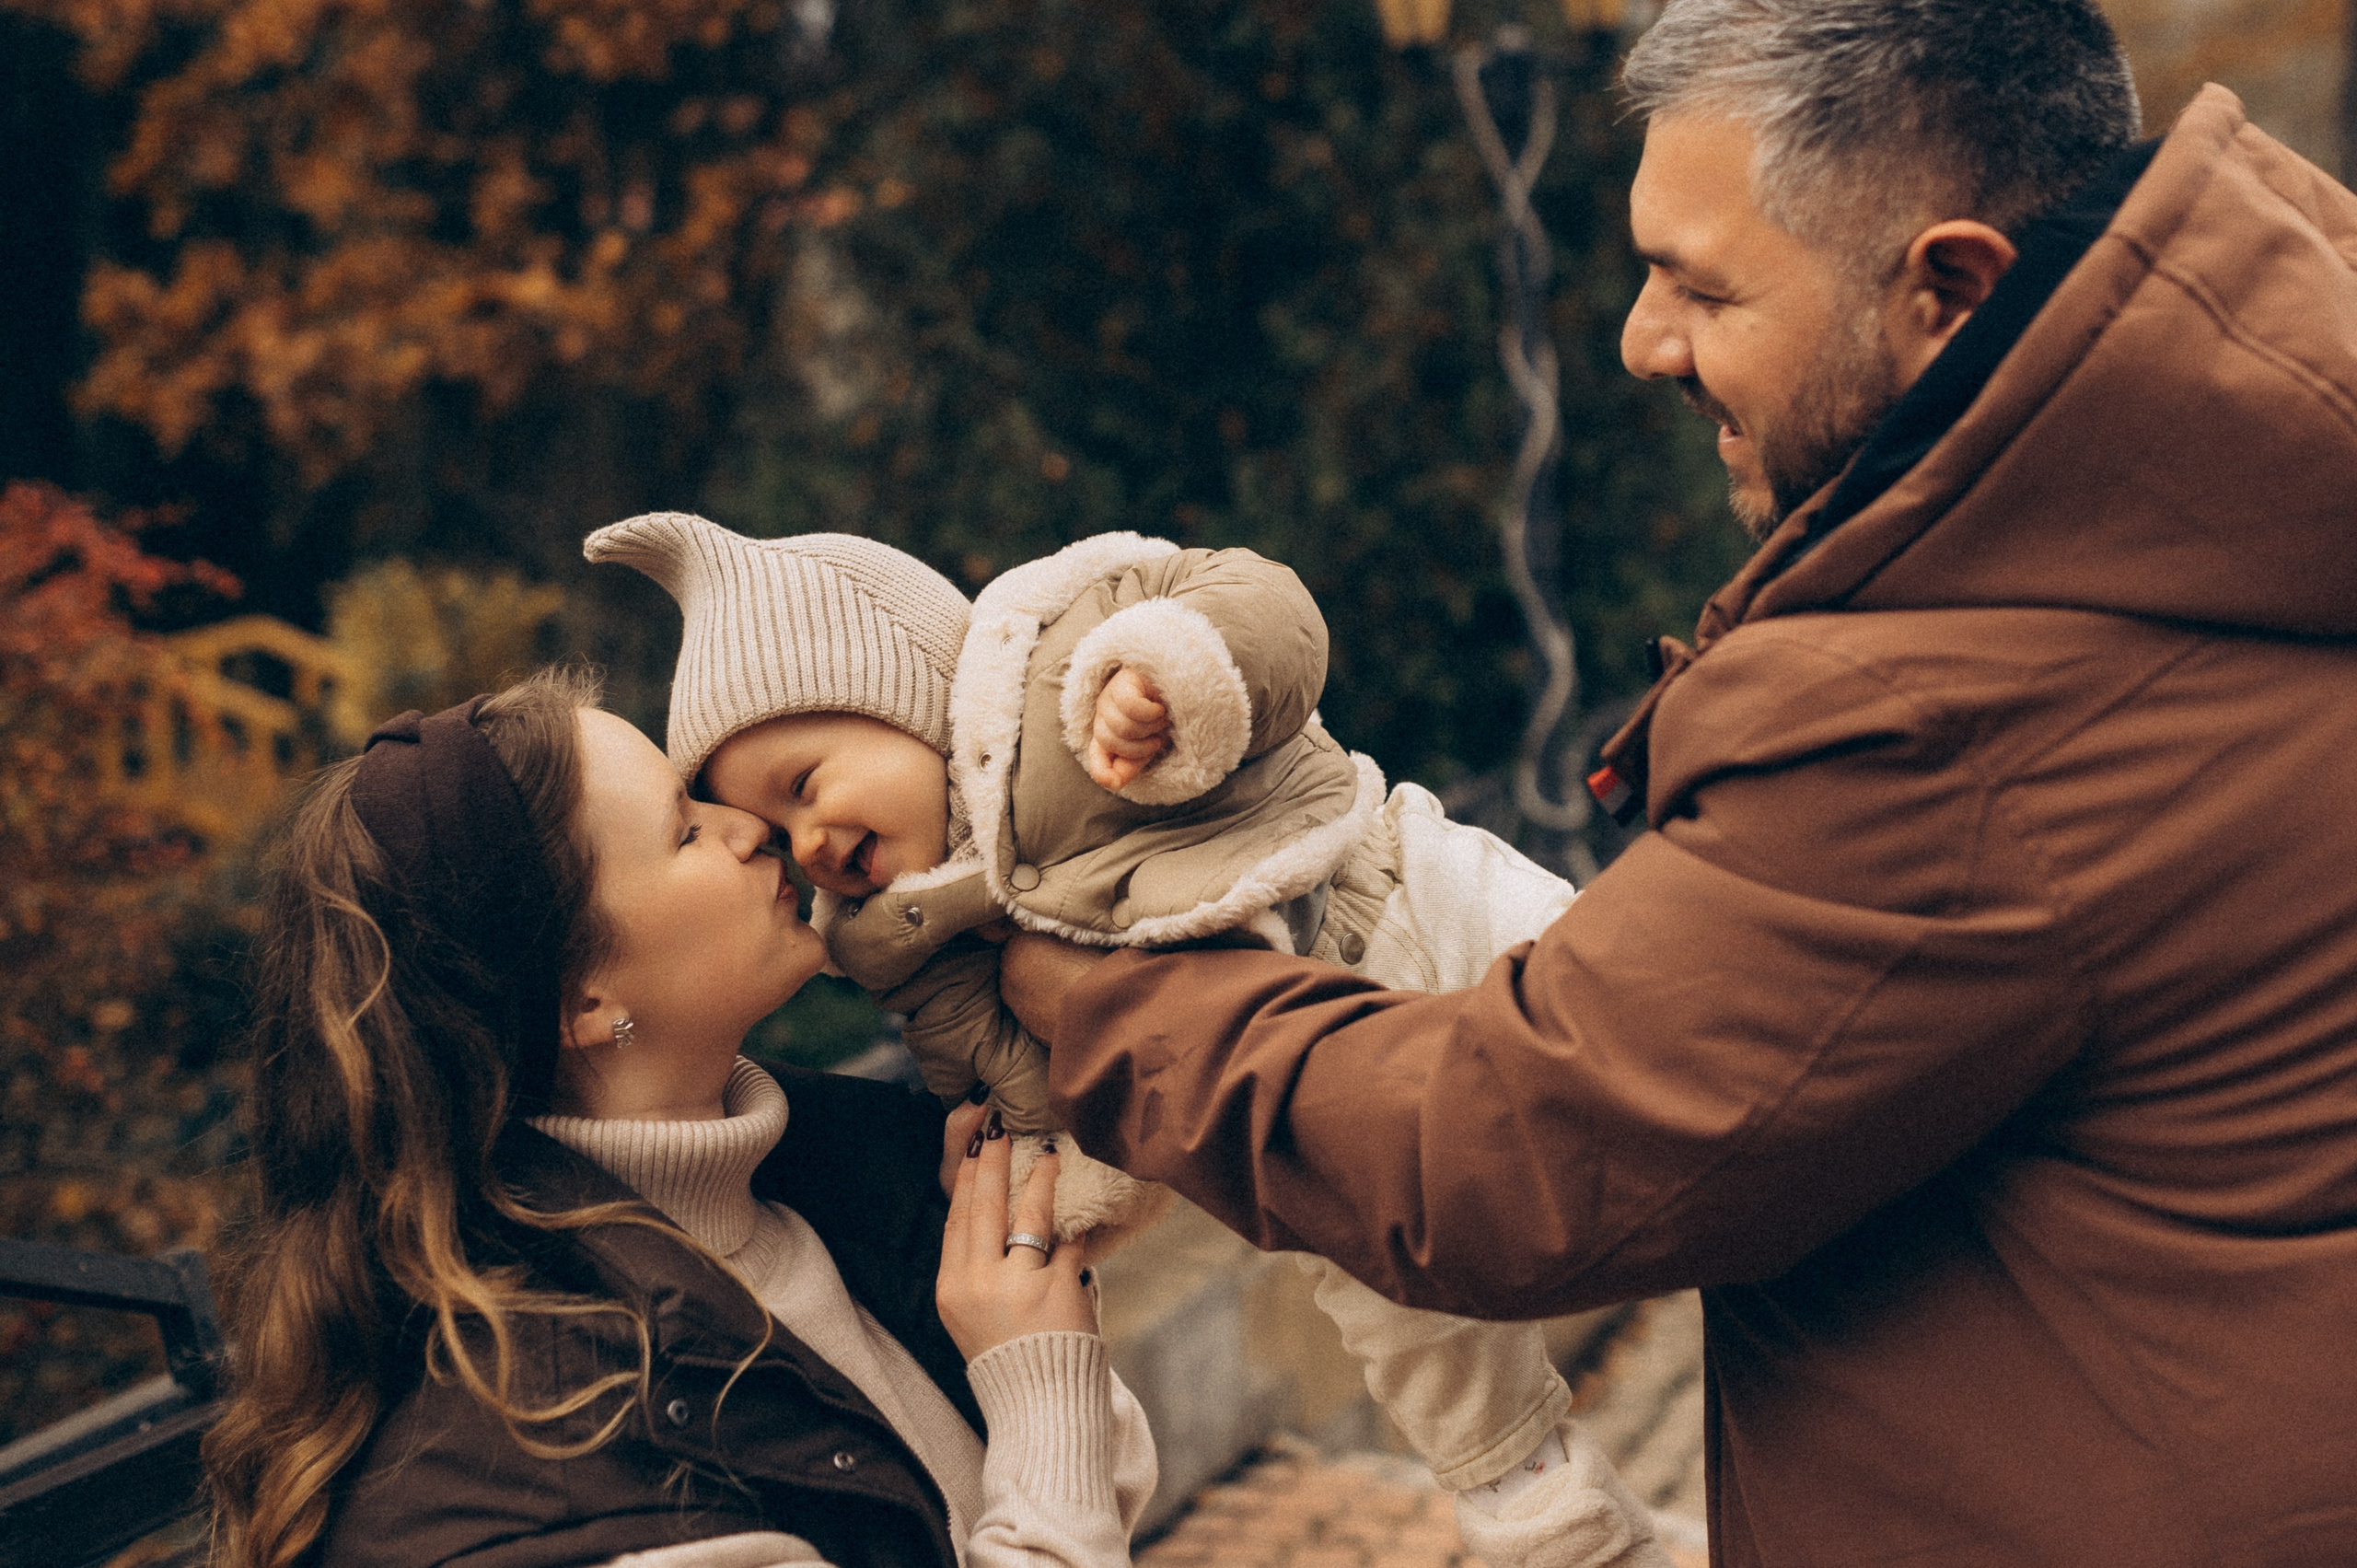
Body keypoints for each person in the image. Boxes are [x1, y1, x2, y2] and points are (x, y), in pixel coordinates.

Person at [990, 3, 2357, 1566]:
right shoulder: (2243, 517)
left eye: (1700, 285)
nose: (1642, 341)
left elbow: (1504, 1156)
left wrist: (1076, 984)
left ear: (1952, 291)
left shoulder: (1953, 718)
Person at [585, 513, 1672, 1567]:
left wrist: (1172, 675)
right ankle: (1552, 1522)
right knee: (1411, 1329)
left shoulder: (1061, 659)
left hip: (1391, 895)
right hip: (1297, 1101)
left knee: (1645, 1010)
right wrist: (1046, 1173)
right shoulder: (921, 950)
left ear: (903, 698)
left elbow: (1268, 612)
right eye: (778, 836)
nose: (807, 843)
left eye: (807, 785)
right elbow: (1022, 1078)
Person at [202, 668, 1155, 1568]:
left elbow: (1100, 1494)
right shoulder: (546, 1449)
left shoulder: (836, 1188)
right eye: (684, 830)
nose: (747, 826)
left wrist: (1026, 1310)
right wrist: (1036, 1375)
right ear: (579, 997)